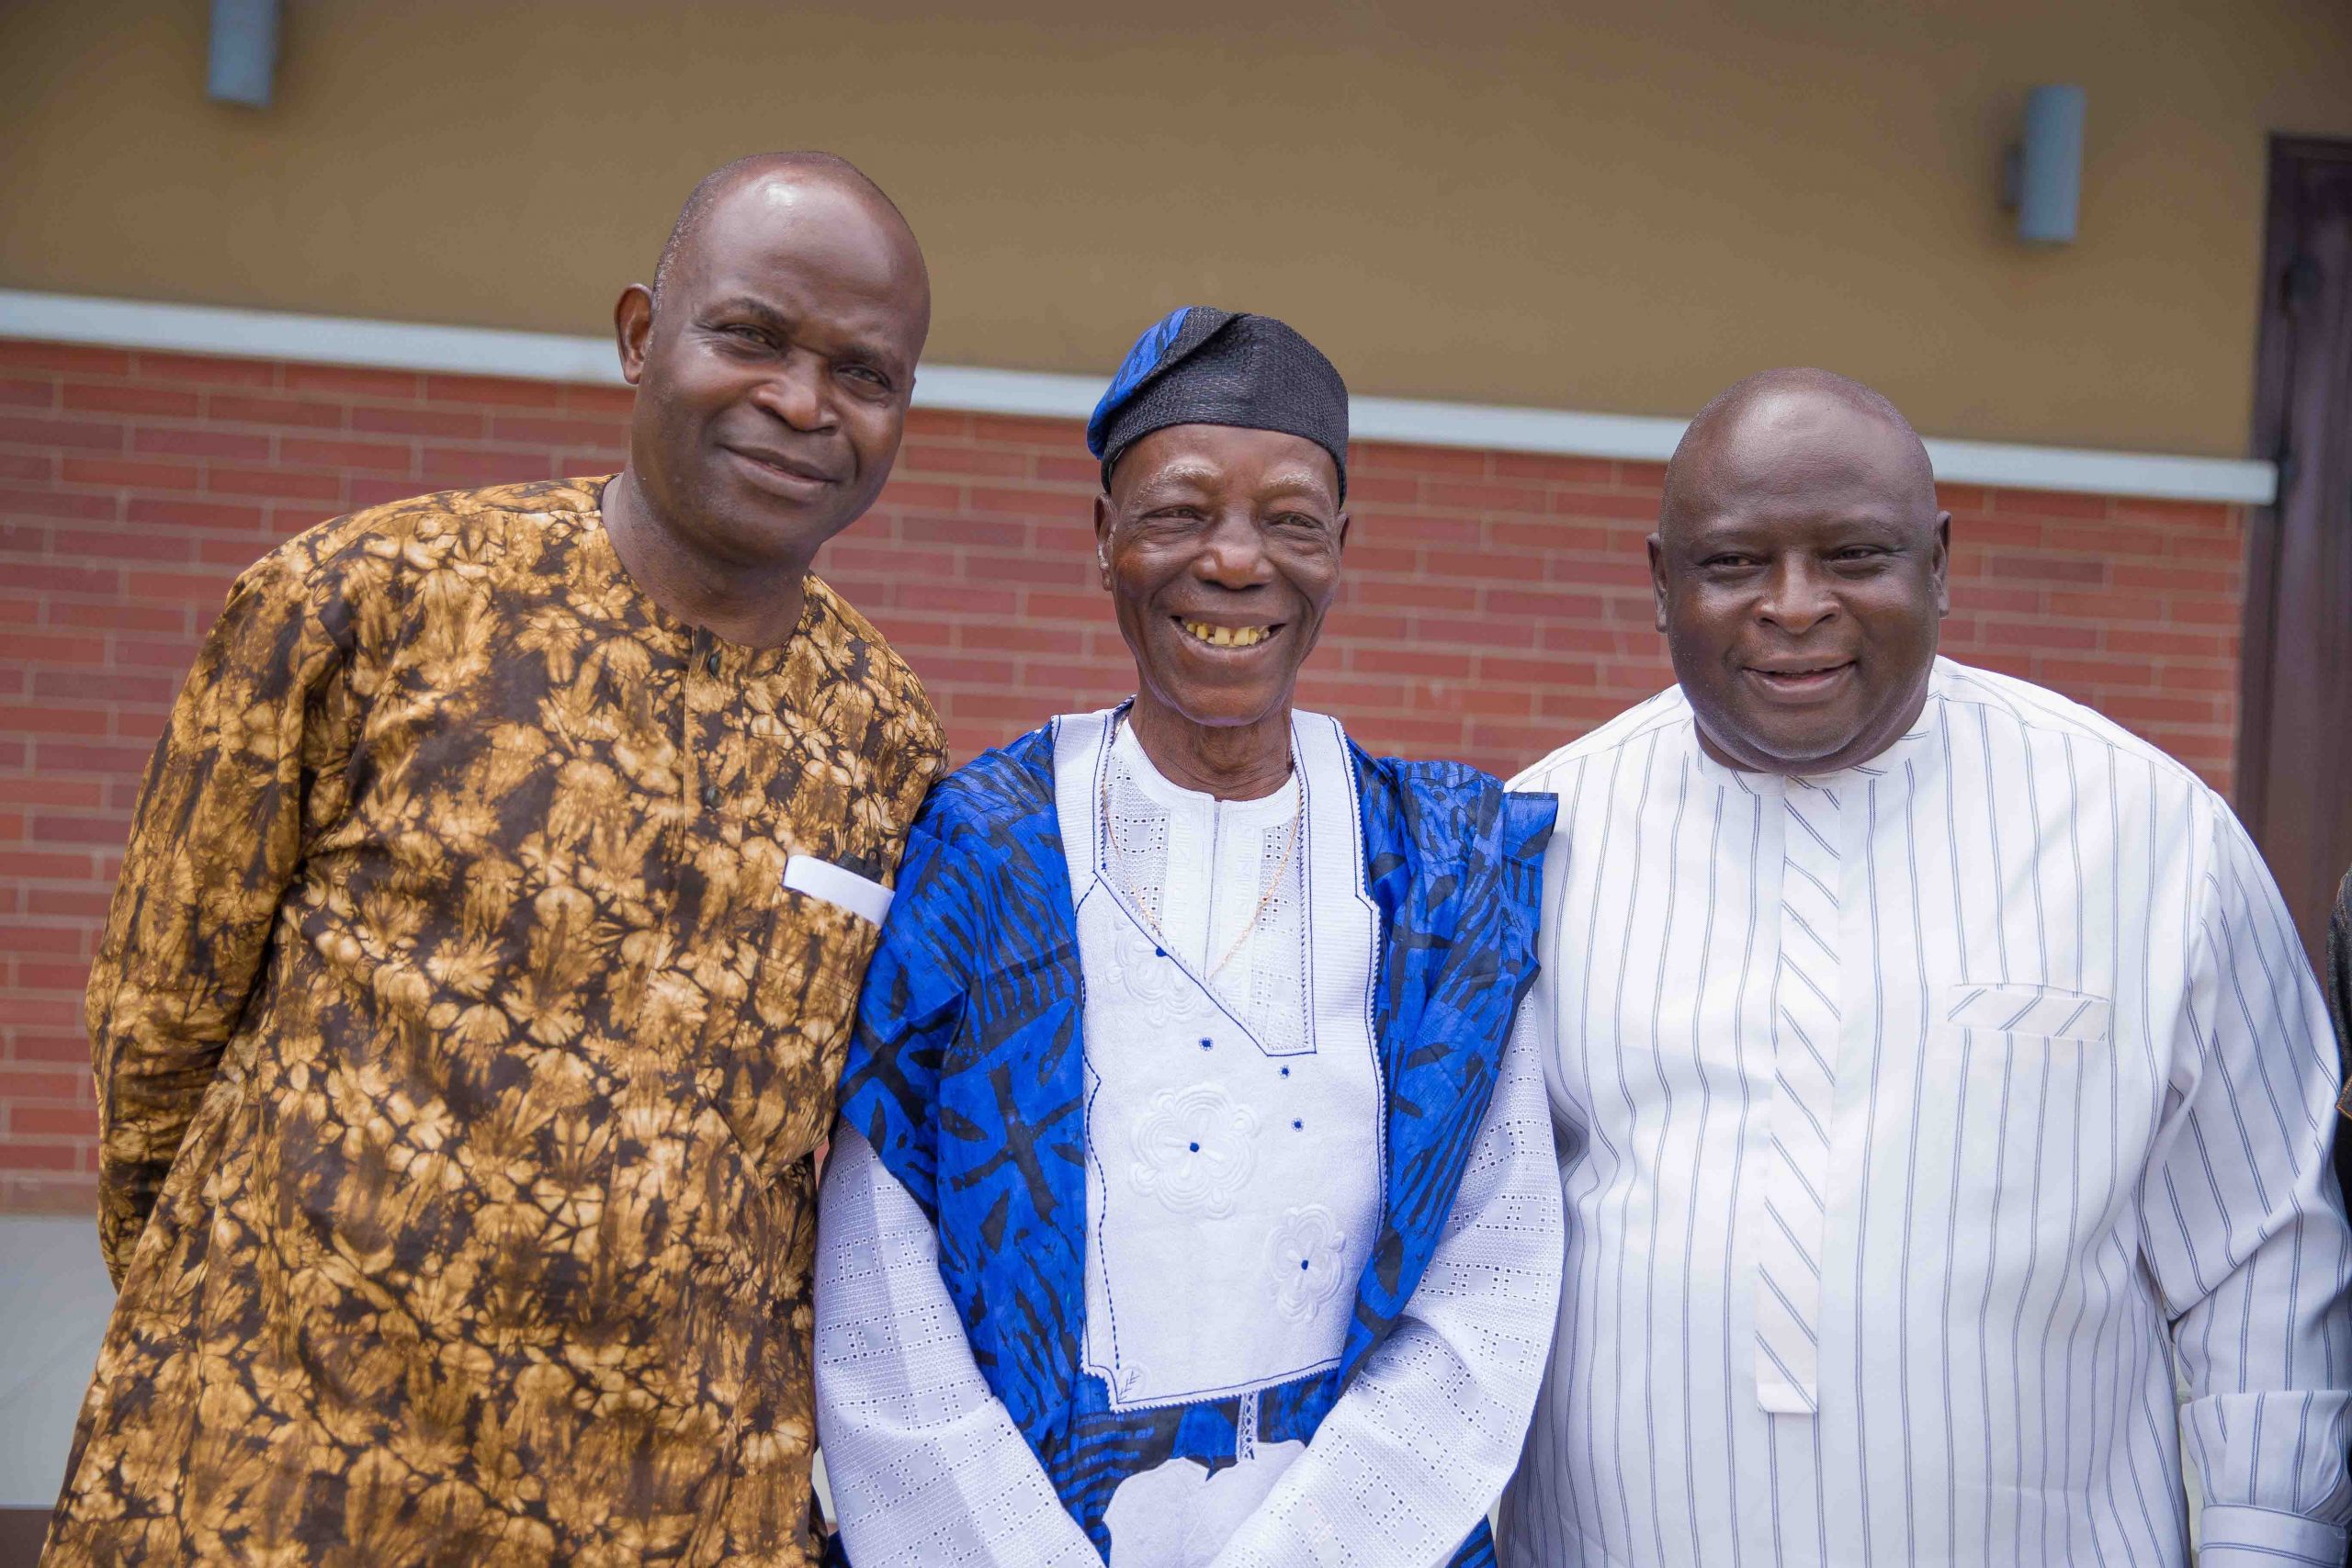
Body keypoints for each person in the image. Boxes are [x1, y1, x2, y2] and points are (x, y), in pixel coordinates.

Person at [45, 152, 944, 1566]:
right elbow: (157, 1027)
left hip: (661, 1515)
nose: (800, 402)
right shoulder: (365, 606)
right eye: (752, 336)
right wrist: (252, 1316)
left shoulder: (889, 746)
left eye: (864, 372)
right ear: (643, 336)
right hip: (269, 1481)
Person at [1498, 367, 2352, 1567]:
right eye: (1735, 564)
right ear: (1658, 583)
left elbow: (2262, 1253)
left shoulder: (2152, 838)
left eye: (1854, 556)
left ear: (1940, 563)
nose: (1795, 607)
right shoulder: (1529, 847)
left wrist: (2274, 1547)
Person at [812, 307, 1563, 1567]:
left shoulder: (1447, 866)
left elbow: (1493, 1266)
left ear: (1340, 550)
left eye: (1289, 521)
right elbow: (882, 1270)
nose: (1234, 562)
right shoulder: (983, 843)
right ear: (1104, 540)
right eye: (1179, 513)